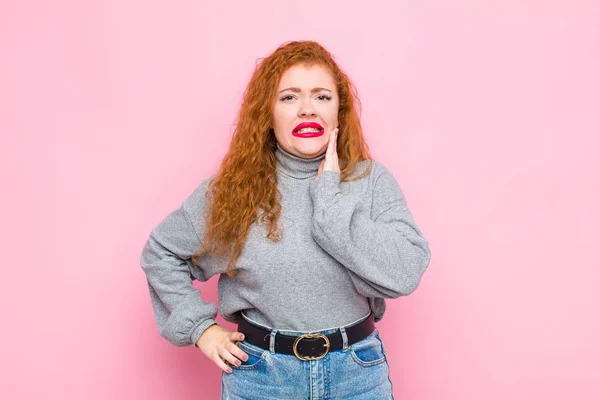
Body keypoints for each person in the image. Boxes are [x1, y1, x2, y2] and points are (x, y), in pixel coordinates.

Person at [140, 40, 431, 399]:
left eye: (322, 97)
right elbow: (161, 253)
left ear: (338, 111)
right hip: (261, 378)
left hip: (357, 376)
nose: (307, 109)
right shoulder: (233, 190)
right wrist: (200, 329)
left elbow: (405, 273)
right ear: (268, 111)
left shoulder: (370, 181)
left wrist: (328, 193)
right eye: (289, 97)